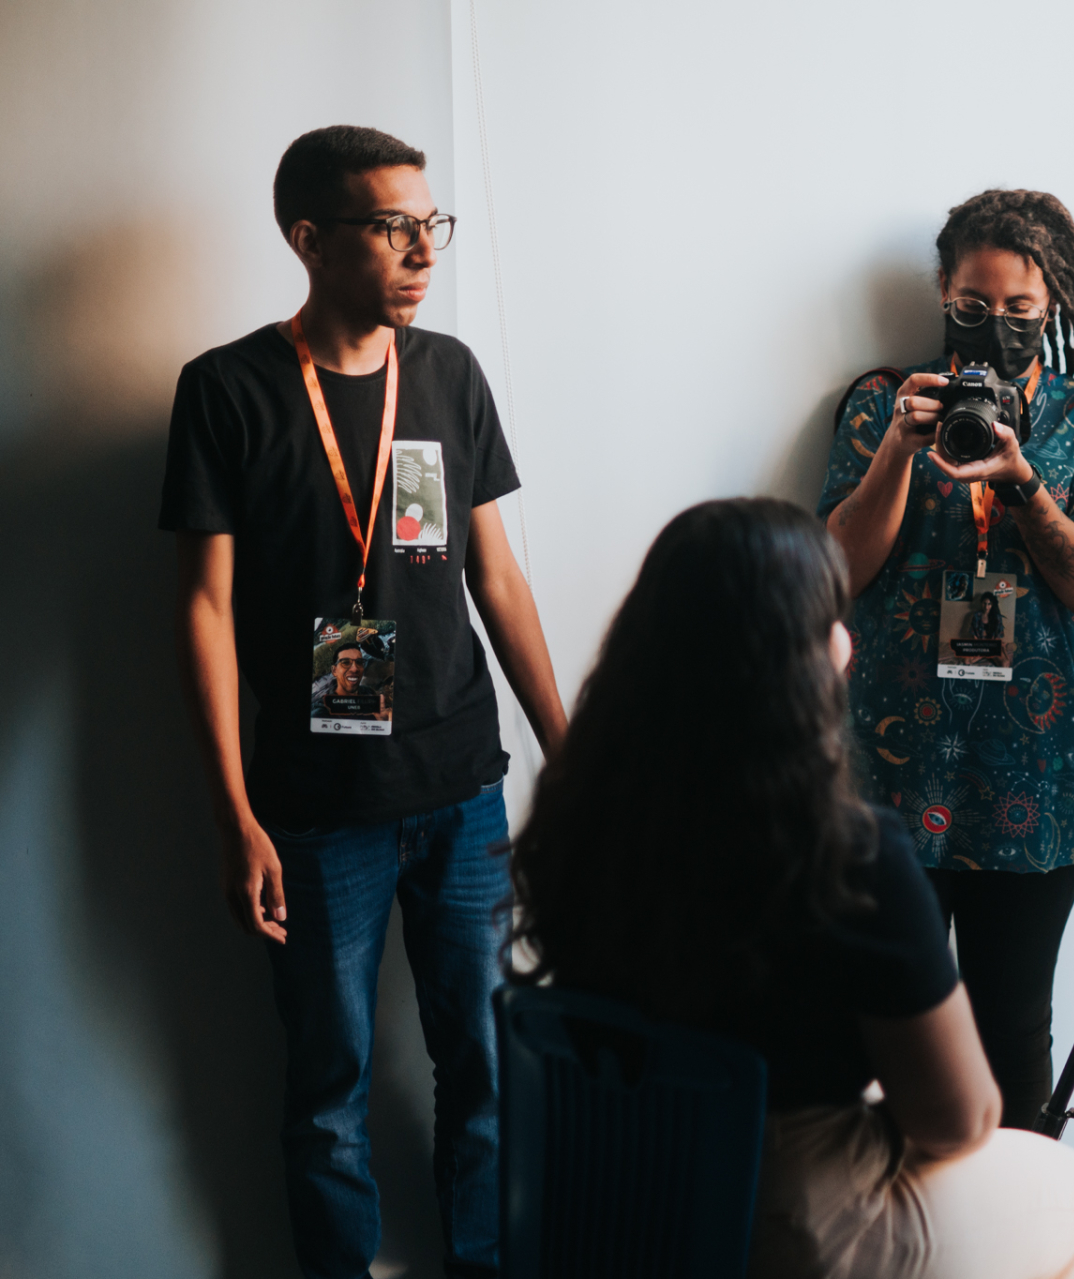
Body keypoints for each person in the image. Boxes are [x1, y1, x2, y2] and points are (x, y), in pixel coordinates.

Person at [160, 125, 568, 1278]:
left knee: (486, 1064)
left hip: (461, 792)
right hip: (316, 810)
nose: (421, 250)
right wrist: (234, 811)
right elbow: (200, 610)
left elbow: (496, 576)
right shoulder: (227, 390)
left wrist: (568, 747)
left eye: (428, 223)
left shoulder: (447, 373)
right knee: (329, 1091)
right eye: (391, 227)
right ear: (310, 239)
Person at [507, 498, 1074, 1279]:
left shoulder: (581, 817)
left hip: (617, 1209)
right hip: (782, 1229)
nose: (848, 641)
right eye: (834, 620)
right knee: (1072, 1190)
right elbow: (960, 1117)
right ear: (800, 662)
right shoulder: (851, 851)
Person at [818, 190, 1074, 1130]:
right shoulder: (885, 402)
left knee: (1013, 1039)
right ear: (941, 290)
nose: (993, 326)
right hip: (889, 776)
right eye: (972, 304)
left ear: (1053, 308)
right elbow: (837, 571)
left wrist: (1024, 485)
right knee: (873, 1039)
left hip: (1031, 781)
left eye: (1018, 311)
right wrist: (896, 450)